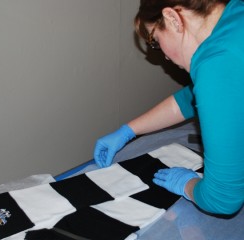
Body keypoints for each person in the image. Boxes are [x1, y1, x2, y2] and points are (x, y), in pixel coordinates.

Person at [94, 0, 244, 216]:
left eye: (155, 41)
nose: (163, 55)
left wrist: (187, 185)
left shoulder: (217, 63)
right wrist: (129, 130)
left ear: (173, 19)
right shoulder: (236, 15)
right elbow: (190, 99)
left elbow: (221, 198)